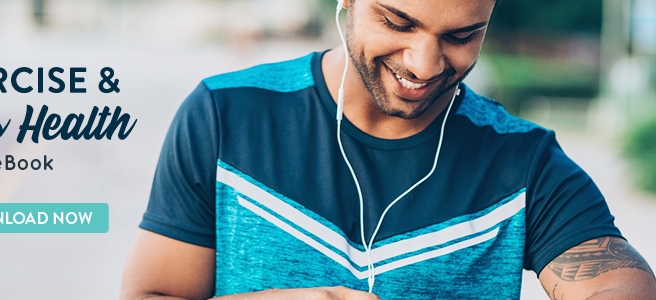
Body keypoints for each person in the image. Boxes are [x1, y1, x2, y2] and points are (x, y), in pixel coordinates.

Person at [120, 0, 656, 299]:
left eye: (462, 36)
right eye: (398, 22)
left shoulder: (523, 161)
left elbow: (619, 283)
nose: (425, 65)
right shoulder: (226, 115)